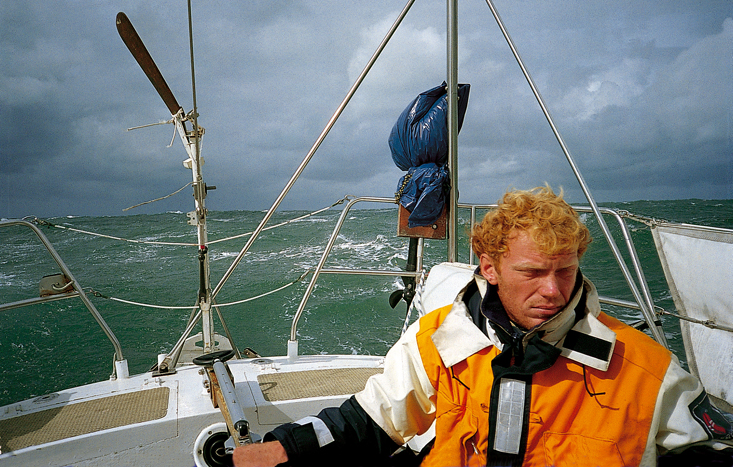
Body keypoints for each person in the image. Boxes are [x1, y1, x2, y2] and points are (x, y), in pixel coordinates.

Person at [233, 186, 733, 467]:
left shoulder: (645, 369)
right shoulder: (440, 339)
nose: (554, 291)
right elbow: (374, 421)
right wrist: (284, 447)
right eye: (533, 273)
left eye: (565, 270)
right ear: (489, 268)